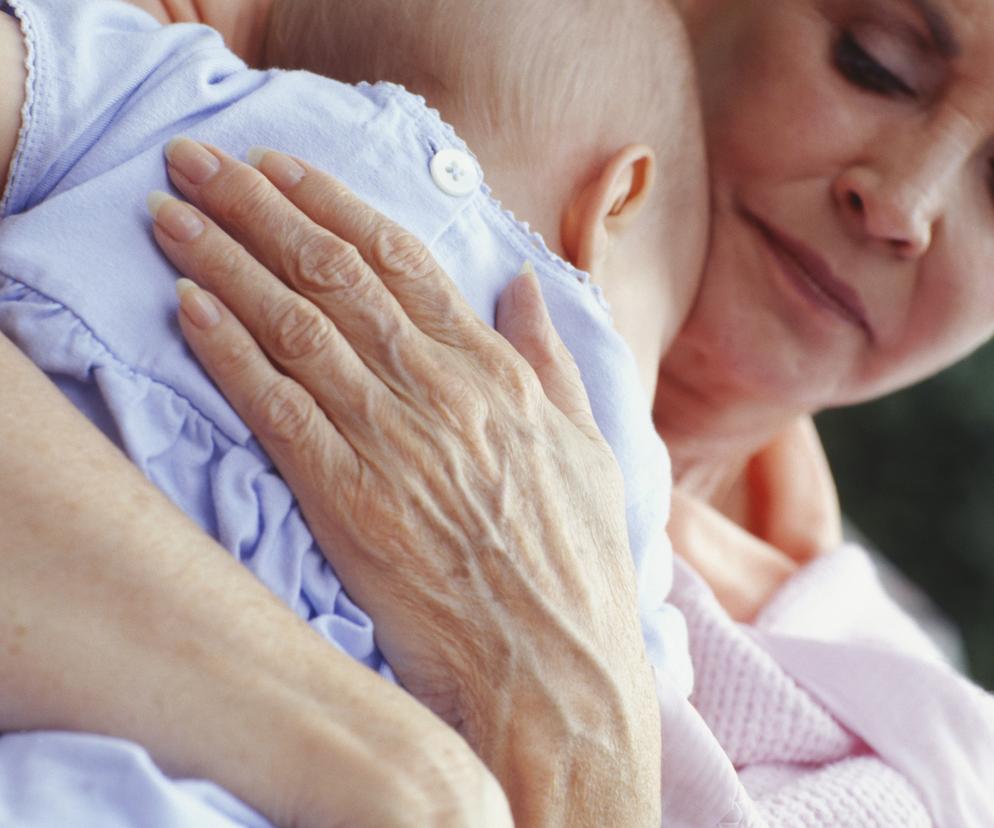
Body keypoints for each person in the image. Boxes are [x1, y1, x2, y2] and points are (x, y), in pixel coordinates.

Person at [4, 0, 994, 826]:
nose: (902, 203)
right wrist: (388, 772)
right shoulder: (239, 48)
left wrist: (587, 741)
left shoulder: (905, 748)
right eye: (875, 61)